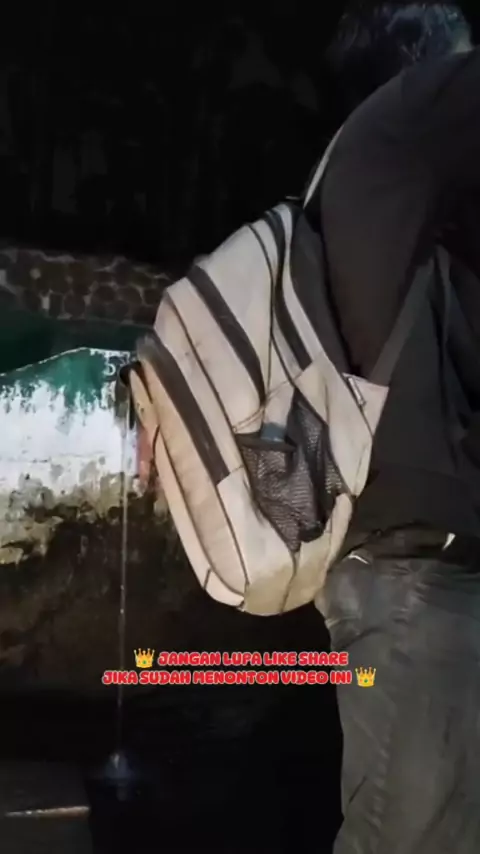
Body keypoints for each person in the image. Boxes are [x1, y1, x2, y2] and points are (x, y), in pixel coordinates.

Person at [305, 3, 480, 853]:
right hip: (413, 582)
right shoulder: (394, 132)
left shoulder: (375, 194)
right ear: (421, 65)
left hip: (412, 575)